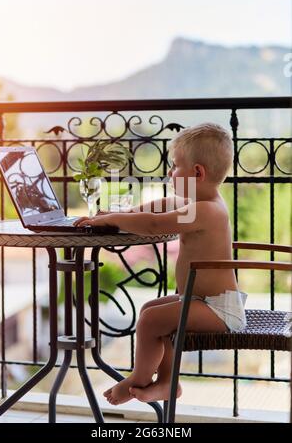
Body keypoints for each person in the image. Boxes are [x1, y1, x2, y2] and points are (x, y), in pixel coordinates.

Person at [73, 123, 247, 405]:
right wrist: (121, 212)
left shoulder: (208, 210)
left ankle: (137, 380)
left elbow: (155, 223)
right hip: (198, 300)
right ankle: (168, 382)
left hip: (219, 311)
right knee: (150, 310)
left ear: (197, 173)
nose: (170, 172)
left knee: (153, 320)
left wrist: (115, 221)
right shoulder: (198, 202)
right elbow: (163, 205)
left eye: (175, 166)